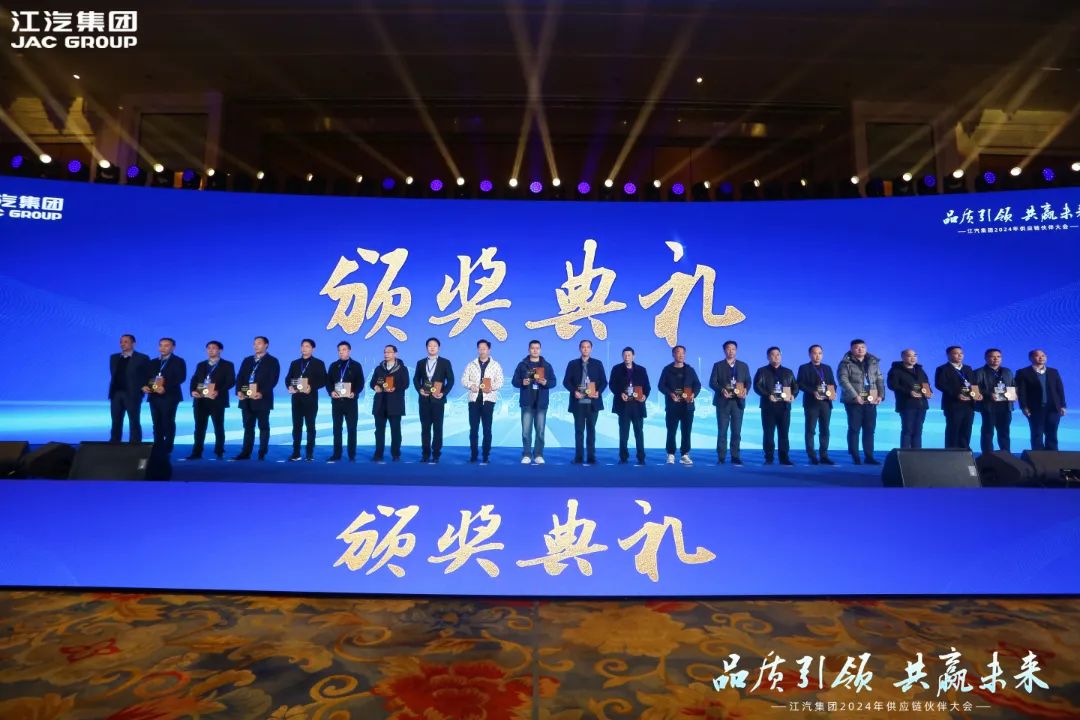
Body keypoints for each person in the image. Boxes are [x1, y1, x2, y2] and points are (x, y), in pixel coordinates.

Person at [837, 339, 885, 464]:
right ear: (851, 349)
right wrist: (855, 396)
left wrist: (880, 395)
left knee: (869, 430)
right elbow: (843, 380)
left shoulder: (873, 362)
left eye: (862, 347)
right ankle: (855, 455)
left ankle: (869, 456)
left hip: (871, 400)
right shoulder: (845, 363)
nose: (860, 349)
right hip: (854, 402)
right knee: (854, 429)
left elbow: (879, 379)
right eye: (857, 347)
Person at [233, 336, 281, 461]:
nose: (256, 346)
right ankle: (246, 452)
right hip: (246, 398)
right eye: (254, 343)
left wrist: (261, 392)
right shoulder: (247, 360)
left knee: (263, 426)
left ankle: (262, 452)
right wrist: (239, 391)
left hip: (262, 399)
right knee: (248, 427)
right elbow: (240, 377)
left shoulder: (272, 361)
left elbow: (273, 380)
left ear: (266, 345)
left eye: (259, 343)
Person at [187, 340, 235, 460]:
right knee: (199, 428)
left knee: (218, 427)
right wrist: (192, 391)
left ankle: (219, 450)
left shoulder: (227, 365)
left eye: (214, 348)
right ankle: (197, 452)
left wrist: (218, 391)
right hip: (200, 400)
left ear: (220, 350)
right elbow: (194, 379)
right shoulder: (201, 365)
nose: (210, 350)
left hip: (217, 400)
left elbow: (230, 381)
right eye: (208, 348)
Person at [562, 339, 607, 464]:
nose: (585, 349)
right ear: (580, 349)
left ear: (591, 349)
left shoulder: (597, 363)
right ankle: (579, 457)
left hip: (593, 403)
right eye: (583, 347)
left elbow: (604, 382)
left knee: (591, 430)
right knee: (579, 431)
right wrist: (574, 391)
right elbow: (566, 382)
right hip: (578, 403)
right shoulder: (572, 364)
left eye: (588, 347)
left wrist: (598, 392)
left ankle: (591, 457)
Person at [511, 339, 555, 464]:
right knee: (526, 431)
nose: (535, 350)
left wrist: (545, 382)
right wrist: (522, 382)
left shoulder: (546, 366)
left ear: (540, 350)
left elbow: (553, 382)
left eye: (537, 348)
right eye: (532, 348)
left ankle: (538, 454)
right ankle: (526, 454)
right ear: (529, 349)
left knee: (540, 431)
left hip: (541, 403)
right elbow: (514, 381)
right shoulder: (522, 365)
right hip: (527, 402)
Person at [141, 337, 187, 454]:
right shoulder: (153, 362)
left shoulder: (178, 361)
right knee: (156, 422)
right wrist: (144, 386)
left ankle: (168, 446)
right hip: (154, 396)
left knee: (168, 421)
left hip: (170, 396)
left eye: (166, 345)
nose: (163, 348)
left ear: (173, 347)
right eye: (161, 345)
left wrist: (165, 387)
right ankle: (158, 445)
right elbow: (146, 377)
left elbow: (181, 378)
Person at [709, 340, 752, 465]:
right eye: (728, 349)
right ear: (724, 351)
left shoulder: (743, 365)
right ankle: (721, 457)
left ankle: (735, 456)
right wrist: (722, 390)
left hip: (738, 402)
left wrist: (746, 390)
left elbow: (748, 381)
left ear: (736, 350)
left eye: (733, 349)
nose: (731, 351)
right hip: (723, 401)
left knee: (736, 431)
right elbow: (712, 382)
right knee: (722, 430)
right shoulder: (718, 365)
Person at [1015, 349, 1067, 451]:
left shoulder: (1053, 372)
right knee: (1037, 433)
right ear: (1031, 358)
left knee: (1052, 433)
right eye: (1037, 356)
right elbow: (1021, 392)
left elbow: (1060, 390)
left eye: (1043, 355)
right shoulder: (1023, 372)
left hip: (1053, 408)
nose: (1041, 358)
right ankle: (1038, 457)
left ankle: (1053, 457)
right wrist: (1024, 407)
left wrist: (1063, 406)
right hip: (1034, 408)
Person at [753, 346, 798, 465]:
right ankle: (769, 458)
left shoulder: (788, 372)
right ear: (768, 357)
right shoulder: (762, 371)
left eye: (778, 354)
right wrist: (767, 395)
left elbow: (795, 387)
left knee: (784, 433)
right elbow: (757, 387)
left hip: (784, 407)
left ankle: (784, 458)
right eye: (773, 355)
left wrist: (793, 395)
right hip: (768, 407)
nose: (776, 357)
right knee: (768, 433)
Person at [285, 338, 328, 461]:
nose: (304, 348)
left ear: (313, 349)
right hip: (296, 399)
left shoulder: (318, 363)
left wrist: (311, 387)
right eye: (302, 346)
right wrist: (289, 386)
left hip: (310, 399)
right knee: (296, 427)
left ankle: (309, 453)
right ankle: (296, 453)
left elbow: (323, 380)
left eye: (307, 346)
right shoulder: (295, 363)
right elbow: (288, 378)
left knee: (310, 427)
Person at [462, 339, 504, 464]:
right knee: (473, 429)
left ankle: (486, 455)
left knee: (487, 429)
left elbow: (500, 381)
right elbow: (464, 379)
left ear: (489, 350)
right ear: (477, 349)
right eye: (480, 348)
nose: (482, 350)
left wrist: (492, 387)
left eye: (484, 348)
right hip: (474, 400)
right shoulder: (471, 364)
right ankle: (473, 454)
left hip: (488, 400)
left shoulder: (495, 365)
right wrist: (471, 385)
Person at [658, 345, 701, 465]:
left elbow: (697, 385)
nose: (681, 355)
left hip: (687, 406)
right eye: (678, 352)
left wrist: (694, 394)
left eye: (683, 353)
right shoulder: (667, 369)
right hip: (672, 405)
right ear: (673, 354)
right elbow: (661, 385)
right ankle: (670, 454)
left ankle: (685, 454)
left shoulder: (690, 370)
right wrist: (670, 394)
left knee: (686, 431)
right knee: (671, 431)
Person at [413, 337, 454, 463]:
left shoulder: (445, 362)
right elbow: (416, 379)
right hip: (424, 400)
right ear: (426, 348)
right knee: (425, 428)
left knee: (437, 428)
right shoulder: (420, 363)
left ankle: (436, 454)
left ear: (438, 348)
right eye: (430, 346)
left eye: (434, 346)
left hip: (438, 400)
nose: (432, 348)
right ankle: (425, 454)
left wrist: (443, 393)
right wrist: (419, 389)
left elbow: (451, 380)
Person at [609, 346, 650, 465]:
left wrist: (645, 396)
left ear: (633, 356)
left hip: (637, 405)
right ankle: (623, 457)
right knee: (623, 433)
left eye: (629, 355)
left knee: (639, 432)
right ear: (622, 356)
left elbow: (647, 387)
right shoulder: (616, 369)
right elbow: (612, 384)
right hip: (623, 405)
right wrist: (620, 393)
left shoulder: (641, 370)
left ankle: (641, 457)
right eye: (625, 355)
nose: (627, 357)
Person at [796, 345, 836, 465]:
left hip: (826, 403)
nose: (817, 356)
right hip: (811, 403)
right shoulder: (804, 368)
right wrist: (813, 391)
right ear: (810, 354)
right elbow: (800, 384)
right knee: (810, 430)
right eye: (814, 353)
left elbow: (833, 383)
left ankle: (824, 455)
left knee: (825, 430)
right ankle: (812, 455)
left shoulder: (827, 368)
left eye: (820, 353)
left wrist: (833, 392)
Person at [327, 341, 366, 463]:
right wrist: (331, 392)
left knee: (352, 429)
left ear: (349, 351)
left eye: (344, 349)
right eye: (339, 350)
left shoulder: (356, 365)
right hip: (337, 402)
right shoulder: (334, 365)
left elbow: (360, 382)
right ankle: (336, 454)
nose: (341, 352)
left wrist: (354, 393)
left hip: (351, 402)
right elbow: (328, 382)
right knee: (337, 429)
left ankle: (351, 454)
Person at [370, 344, 409, 462]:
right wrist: (375, 386)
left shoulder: (402, 368)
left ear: (395, 354)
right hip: (380, 404)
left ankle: (396, 454)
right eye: (385, 352)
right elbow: (372, 383)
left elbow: (406, 384)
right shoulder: (379, 368)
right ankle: (378, 454)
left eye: (389, 352)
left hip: (395, 404)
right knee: (379, 431)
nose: (386, 354)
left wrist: (395, 388)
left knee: (395, 431)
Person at [108, 333, 150, 443]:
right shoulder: (114, 357)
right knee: (115, 421)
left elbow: (149, 375)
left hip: (133, 394)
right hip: (116, 394)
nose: (122, 344)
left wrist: (146, 386)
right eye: (121, 342)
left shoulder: (142, 358)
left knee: (134, 421)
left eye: (125, 342)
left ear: (133, 343)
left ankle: (135, 444)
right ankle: (114, 443)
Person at [934, 346, 978, 450]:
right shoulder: (942, 369)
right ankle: (951, 452)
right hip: (953, 404)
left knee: (966, 429)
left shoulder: (968, 368)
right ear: (948, 355)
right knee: (953, 430)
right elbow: (940, 384)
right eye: (956, 353)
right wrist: (956, 394)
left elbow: (973, 383)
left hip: (969, 405)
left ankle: (965, 451)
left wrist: (977, 394)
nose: (959, 355)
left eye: (961, 353)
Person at [886, 349, 931, 449]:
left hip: (921, 404)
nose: (913, 358)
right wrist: (908, 392)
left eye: (915, 355)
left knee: (918, 431)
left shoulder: (919, 369)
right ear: (903, 357)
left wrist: (929, 392)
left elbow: (925, 383)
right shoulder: (896, 370)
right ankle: (905, 454)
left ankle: (917, 454)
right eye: (909, 356)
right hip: (907, 405)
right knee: (908, 430)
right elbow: (893, 385)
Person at [974, 348, 1014, 454]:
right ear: (986, 358)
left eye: (998, 357)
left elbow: (1013, 385)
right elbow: (974, 388)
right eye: (992, 356)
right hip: (988, 406)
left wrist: (1014, 394)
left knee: (1004, 432)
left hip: (1005, 406)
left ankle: (1006, 455)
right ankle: (987, 455)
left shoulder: (1007, 371)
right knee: (988, 433)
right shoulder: (979, 372)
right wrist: (988, 394)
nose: (996, 359)